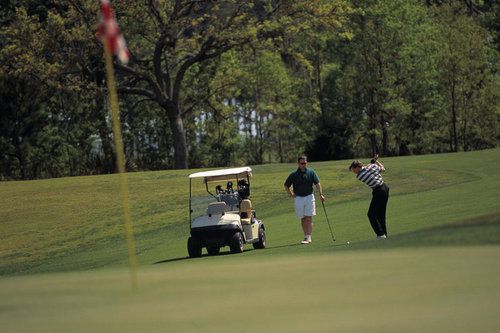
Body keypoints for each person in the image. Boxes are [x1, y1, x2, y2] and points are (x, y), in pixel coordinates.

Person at [284, 155, 325, 244]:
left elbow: (317, 183)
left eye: (305, 163)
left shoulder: (311, 172)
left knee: (309, 217)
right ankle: (306, 235)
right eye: (302, 163)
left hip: (309, 197)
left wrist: (321, 194)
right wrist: (291, 194)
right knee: (302, 218)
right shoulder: (294, 174)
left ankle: (308, 237)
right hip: (298, 198)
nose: (304, 165)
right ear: (298, 164)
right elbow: (286, 185)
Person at [349, 154, 390, 240]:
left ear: (357, 167)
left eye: (353, 169)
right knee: (380, 214)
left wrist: (372, 161)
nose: (353, 171)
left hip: (378, 191)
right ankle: (384, 235)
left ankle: (380, 234)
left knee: (371, 214)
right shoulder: (373, 167)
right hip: (385, 189)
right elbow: (383, 168)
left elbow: (367, 167)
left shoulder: (360, 176)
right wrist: (375, 161)